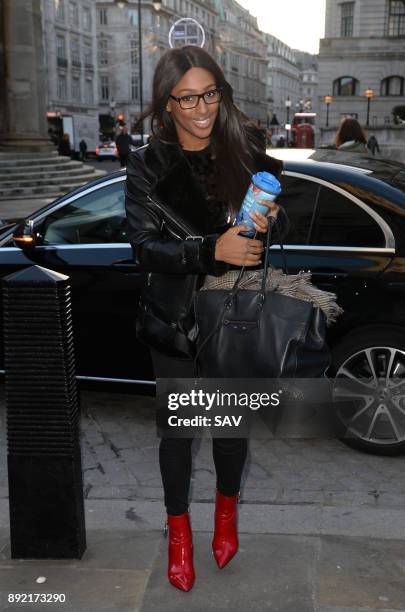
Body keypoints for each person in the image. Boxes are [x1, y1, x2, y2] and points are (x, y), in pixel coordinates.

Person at [124, 45, 283, 593]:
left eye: (210, 94)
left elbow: (264, 243)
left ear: (222, 92)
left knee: (230, 430)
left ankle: (225, 516)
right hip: (175, 319)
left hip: (236, 314)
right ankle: (178, 535)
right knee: (178, 435)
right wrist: (210, 250)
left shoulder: (246, 150)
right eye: (187, 97)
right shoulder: (147, 164)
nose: (201, 108)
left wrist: (267, 226)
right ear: (167, 104)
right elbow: (144, 248)